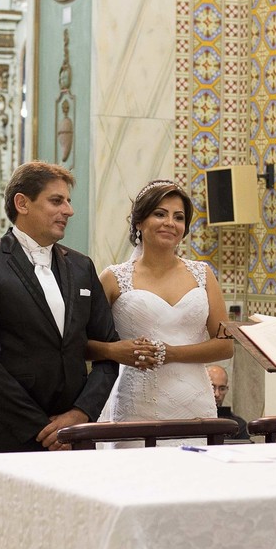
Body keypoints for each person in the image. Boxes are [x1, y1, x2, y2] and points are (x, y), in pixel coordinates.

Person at [0, 161, 120, 453]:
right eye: (56, 201)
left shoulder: (82, 267)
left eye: (68, 201)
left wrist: (80, 413)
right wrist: (39, 428)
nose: (68, 210)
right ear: (22, 203)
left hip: (75, 434)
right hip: (9, 434)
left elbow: (109, 351)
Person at [88, 180, 233, 436]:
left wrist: (171, 353)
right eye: (160, 214)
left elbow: (225, 345)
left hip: (194, 401)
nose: (170, 223)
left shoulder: (203, 274)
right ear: (139, 222)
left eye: (178, 217)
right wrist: (115, 351)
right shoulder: (112, 278)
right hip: (138, 402)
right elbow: (83, 343)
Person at [206, 364, 250, 441]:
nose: (217, 394)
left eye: (222, 389)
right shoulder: (189, 420)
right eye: (212, 387)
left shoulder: (238, 425)